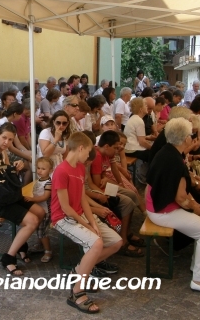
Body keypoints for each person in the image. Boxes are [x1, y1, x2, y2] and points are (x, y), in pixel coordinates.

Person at [146, 118, 200, 294]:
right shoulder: (173, 160)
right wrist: (195, 207)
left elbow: (181, 192)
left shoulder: (169, 152)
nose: (192, 137)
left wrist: (195, 204)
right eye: (190, 134)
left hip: (160, 205)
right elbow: (181, 198)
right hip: (162, 210)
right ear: (184, 139)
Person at [52, 132, 123, 313]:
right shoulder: (61, 170)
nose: (90, 154)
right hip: (63, 218)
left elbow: (82, 197)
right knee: (95, 243)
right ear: (81, 148)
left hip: (80, 215)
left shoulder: (80, 168)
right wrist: (88, 225)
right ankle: (77, 292)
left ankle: (77, 271)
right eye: (89, 150)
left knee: (116, 242)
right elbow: (65, 208)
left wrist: (92, 220)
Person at [0, 123, 44, 275]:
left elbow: (6, 173)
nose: (6, 142)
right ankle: (9, 257)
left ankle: (20, 245)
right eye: (4, 138)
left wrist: (15, 165)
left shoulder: (3, 151)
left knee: (39, 212)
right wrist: (1, 172)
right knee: (31, 221)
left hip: (3, 195)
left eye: (10, 140)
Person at [23, 157, 53, 263]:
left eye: (43, 169)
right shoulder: (38, 181)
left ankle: (48, 250)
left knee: (42, 232)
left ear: (50, 170)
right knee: (38, 230)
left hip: (45, 211)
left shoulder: (49, 183)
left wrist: (32, 199)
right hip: (38, 209)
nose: (40, 170)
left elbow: (45, 197)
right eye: (38, 168)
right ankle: (41, 245)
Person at [123, 97, 152, 162]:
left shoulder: (134, 118)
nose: (147, 106)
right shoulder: (139, 120)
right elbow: (142, 142)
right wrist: (152, 148)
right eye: (145, 105)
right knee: (155, 155)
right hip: (132, 150)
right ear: (140, 109)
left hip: (129, 148)